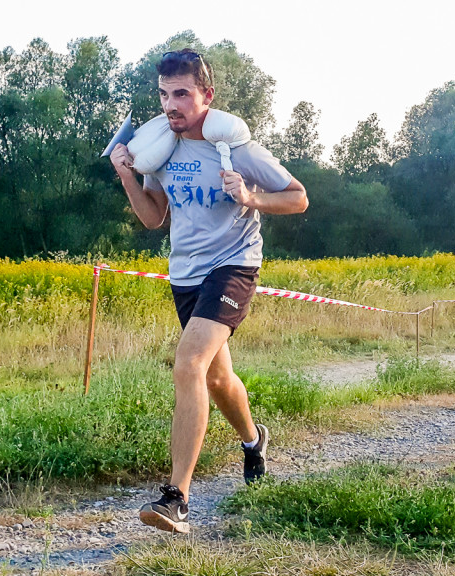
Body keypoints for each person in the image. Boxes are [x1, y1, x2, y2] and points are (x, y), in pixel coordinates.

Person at [109, 49, 308, 533]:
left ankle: (176, 498)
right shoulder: (158, 149)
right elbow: (154, 218)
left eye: (181, 94)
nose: (171, 105)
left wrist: (251, 197)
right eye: (163, 95)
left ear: (206, 96)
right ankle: (253, 439)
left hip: (234, 265)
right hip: (186, 275)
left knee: (189, 364)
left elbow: (299, 198)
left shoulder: (235, 148)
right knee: (217, 380)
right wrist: (127, 175)